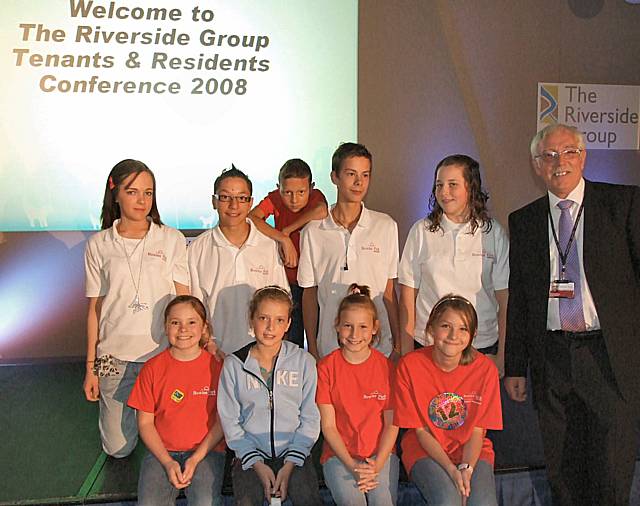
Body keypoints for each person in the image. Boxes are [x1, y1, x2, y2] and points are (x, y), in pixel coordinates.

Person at [504, 123, 640, 506]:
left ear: (583, 156)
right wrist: (515, 365)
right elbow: (521, 299)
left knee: (611, 471)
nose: (558, 162)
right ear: (536, 165)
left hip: (609, 357)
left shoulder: (624, 204)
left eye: (567, 152)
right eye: (548, 155)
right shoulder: (525, 220)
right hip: (553, 357)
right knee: (563, 474)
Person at [83, 159, 189, 458]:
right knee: (118, 449)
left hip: (161, 354)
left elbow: (184, 300)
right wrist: (92, 368)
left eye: (148, 192)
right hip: (113, 357)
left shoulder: (171, 239)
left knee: (174, 441)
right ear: (115, 193)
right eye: (132, 192)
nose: (141, 200)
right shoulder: (99, 244)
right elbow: (95, 309)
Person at [398, 154, 509, 376]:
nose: (444, 192)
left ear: (471, 188)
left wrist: (502, 357)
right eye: (439, 185)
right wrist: (407, 354)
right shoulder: (421, 231)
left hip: (481, 348)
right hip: (428, 348)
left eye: (453, 185)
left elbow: (505, 301)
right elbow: (408, 296)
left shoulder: (493, 233)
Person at [217, 286, 323, 505]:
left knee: (307, 498)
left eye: (279, 320)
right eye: (263, 318)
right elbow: (230, 420)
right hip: (250, 454)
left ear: (289, 324)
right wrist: (254, 461)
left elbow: (311, 417)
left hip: (294, 450)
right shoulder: (234, 365)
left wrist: (292, 461)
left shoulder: (303, 362)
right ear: (251, 320)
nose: (270, 327)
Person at [394, 294, 502, 506]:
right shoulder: (410, 366)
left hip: (472, 450)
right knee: (447, 500)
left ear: (473, 335)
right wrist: (452, 470)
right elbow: (421, 432)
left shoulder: (485, 369)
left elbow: (477, 432)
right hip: (424, 448)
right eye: (446, 326)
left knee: (483, 503)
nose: (454, 335)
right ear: (431, 328)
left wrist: (466, 469)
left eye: (463, 329)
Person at [298, 142, 400, 360]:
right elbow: (309, 294)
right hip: (330, 349)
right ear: (334, 177)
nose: (358, 182)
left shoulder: (385, 226)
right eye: (351, 174)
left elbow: (389, 290)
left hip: (378, 349)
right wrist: (313, 349)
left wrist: (399, 345)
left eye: (365, 175)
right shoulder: (313, 231)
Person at [128, 295, 225, 505]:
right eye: (175, 323)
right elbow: (145, 423)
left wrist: (196, 458)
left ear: (204, 327)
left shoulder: (218, 368)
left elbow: (222, 422)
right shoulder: (152, 368)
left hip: (207, 452)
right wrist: (167, 461)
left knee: (205, 501)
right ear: (165, 327)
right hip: (161, 453)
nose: (183, 329)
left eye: (192, 322)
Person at [188, 166, 289, 355]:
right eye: (225, 197)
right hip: (216, 354)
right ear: (214, 202)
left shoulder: (268, 246)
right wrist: (209, 345)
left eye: (242, 198)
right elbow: (194, 309)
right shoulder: (198, 249)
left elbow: (281, 302)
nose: (234, 206)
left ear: (250, 202)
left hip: (262, 355)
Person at [316, 284, 399, 505]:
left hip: (381, 455)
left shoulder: (386, 368)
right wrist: (353, 466)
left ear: (375, 328)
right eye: (348, 326)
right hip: (340, 457)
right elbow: (329, 427)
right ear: (337, 326)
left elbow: (392, 424)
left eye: (363, 326)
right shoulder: (326, 368)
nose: (355, 334)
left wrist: (377, 465)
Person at [249, 158, 328, 348]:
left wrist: (288, 230)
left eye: (301, 192)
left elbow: (322, 210)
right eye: (287, 193)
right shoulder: (275, 199)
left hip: (313, 283)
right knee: (290, 338)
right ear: (278, 188)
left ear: (311, 187)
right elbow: (252, 217)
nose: (294, 199)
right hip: (287, 282)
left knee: (316, 336)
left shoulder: (316, 199)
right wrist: (283, 238)